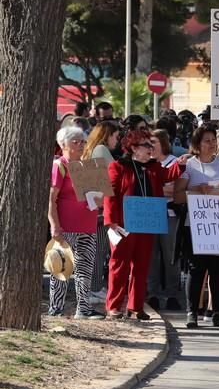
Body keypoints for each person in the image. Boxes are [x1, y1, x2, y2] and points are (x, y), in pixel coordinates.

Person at [104, 130, 186, 320]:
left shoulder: (154, 167)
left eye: (151, 145)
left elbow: (167, 175)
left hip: (147, 223)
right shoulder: (118, 166)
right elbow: (111, 195)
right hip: (124, 224)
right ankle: (114, 306)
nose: (151, 149)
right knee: (119, 265)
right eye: (146, 145)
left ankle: (136, 306)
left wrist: (179, 165)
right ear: (133, 148)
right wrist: (112, 221)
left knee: (142, 266)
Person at [173, 124, 219, 328]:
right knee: (196, 270)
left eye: (213, 140)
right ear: (197, 144)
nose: (212, 144)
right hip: (195, 226)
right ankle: (192, 312)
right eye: (207, 140)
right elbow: (178, 196)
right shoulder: (189, 165)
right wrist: (196, 190)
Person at [48, 127, 104, 319]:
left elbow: (101, 198)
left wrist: (100, 197)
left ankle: (84, 308)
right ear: (63, 145)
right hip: (66, 227)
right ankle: (56, 309)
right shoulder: (60, 165)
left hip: (88, 225)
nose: (81, 145)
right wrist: (54, 225)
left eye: (82, 141)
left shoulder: (88, 166)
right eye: (76, 142)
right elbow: (51, 199)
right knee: (61, 268)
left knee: (85, 268)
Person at [82, 121, 120, 304]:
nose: (117, 140)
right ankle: (94, 288)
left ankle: (92, 287)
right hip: (101, 208)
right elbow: (116, 174)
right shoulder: (102, 150)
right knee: (99, 249)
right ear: (107, 135)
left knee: (94, 248)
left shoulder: (90, 150)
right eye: (116, 136)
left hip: (90, 206)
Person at [146, 129, 182, 311]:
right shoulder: (146, 162)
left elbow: (176, 190)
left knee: (171, 257)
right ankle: (152, 294)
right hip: (150, 214)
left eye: (154, 142)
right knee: (151, 257)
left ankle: (172, 294)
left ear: (163, 143)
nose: (150, 147)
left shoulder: (173, 163)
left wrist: (155, 187)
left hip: (170, 214)